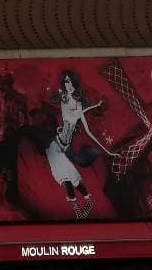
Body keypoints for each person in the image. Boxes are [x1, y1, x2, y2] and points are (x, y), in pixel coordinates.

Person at [45, 69, 117, 220]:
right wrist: (94, 106)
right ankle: (77, 208)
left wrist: (108, 153)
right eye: (65, 82)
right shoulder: (64, 99)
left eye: (70, 81)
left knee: (73, 176)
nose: (68, 84)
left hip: (64, 146)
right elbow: (61, 105)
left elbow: (90, 132)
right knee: (66, 177)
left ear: (74, 84)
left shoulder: (79, 107)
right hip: (56, 145)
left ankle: (88, 202)